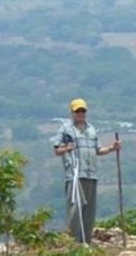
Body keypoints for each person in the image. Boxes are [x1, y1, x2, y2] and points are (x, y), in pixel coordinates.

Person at [52, 98, 122, 244]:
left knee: (89, 211)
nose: (80, 113)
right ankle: (71, 242)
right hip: (75, 174)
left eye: (83, 111)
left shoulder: (91, 129)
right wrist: (67, 148)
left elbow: (98, 150)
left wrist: (111, 148)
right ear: (72, 112)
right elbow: (57, 150)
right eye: (77, 111)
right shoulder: (66, 128)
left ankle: (86, 242)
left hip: (91, 174)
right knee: (75, 209)